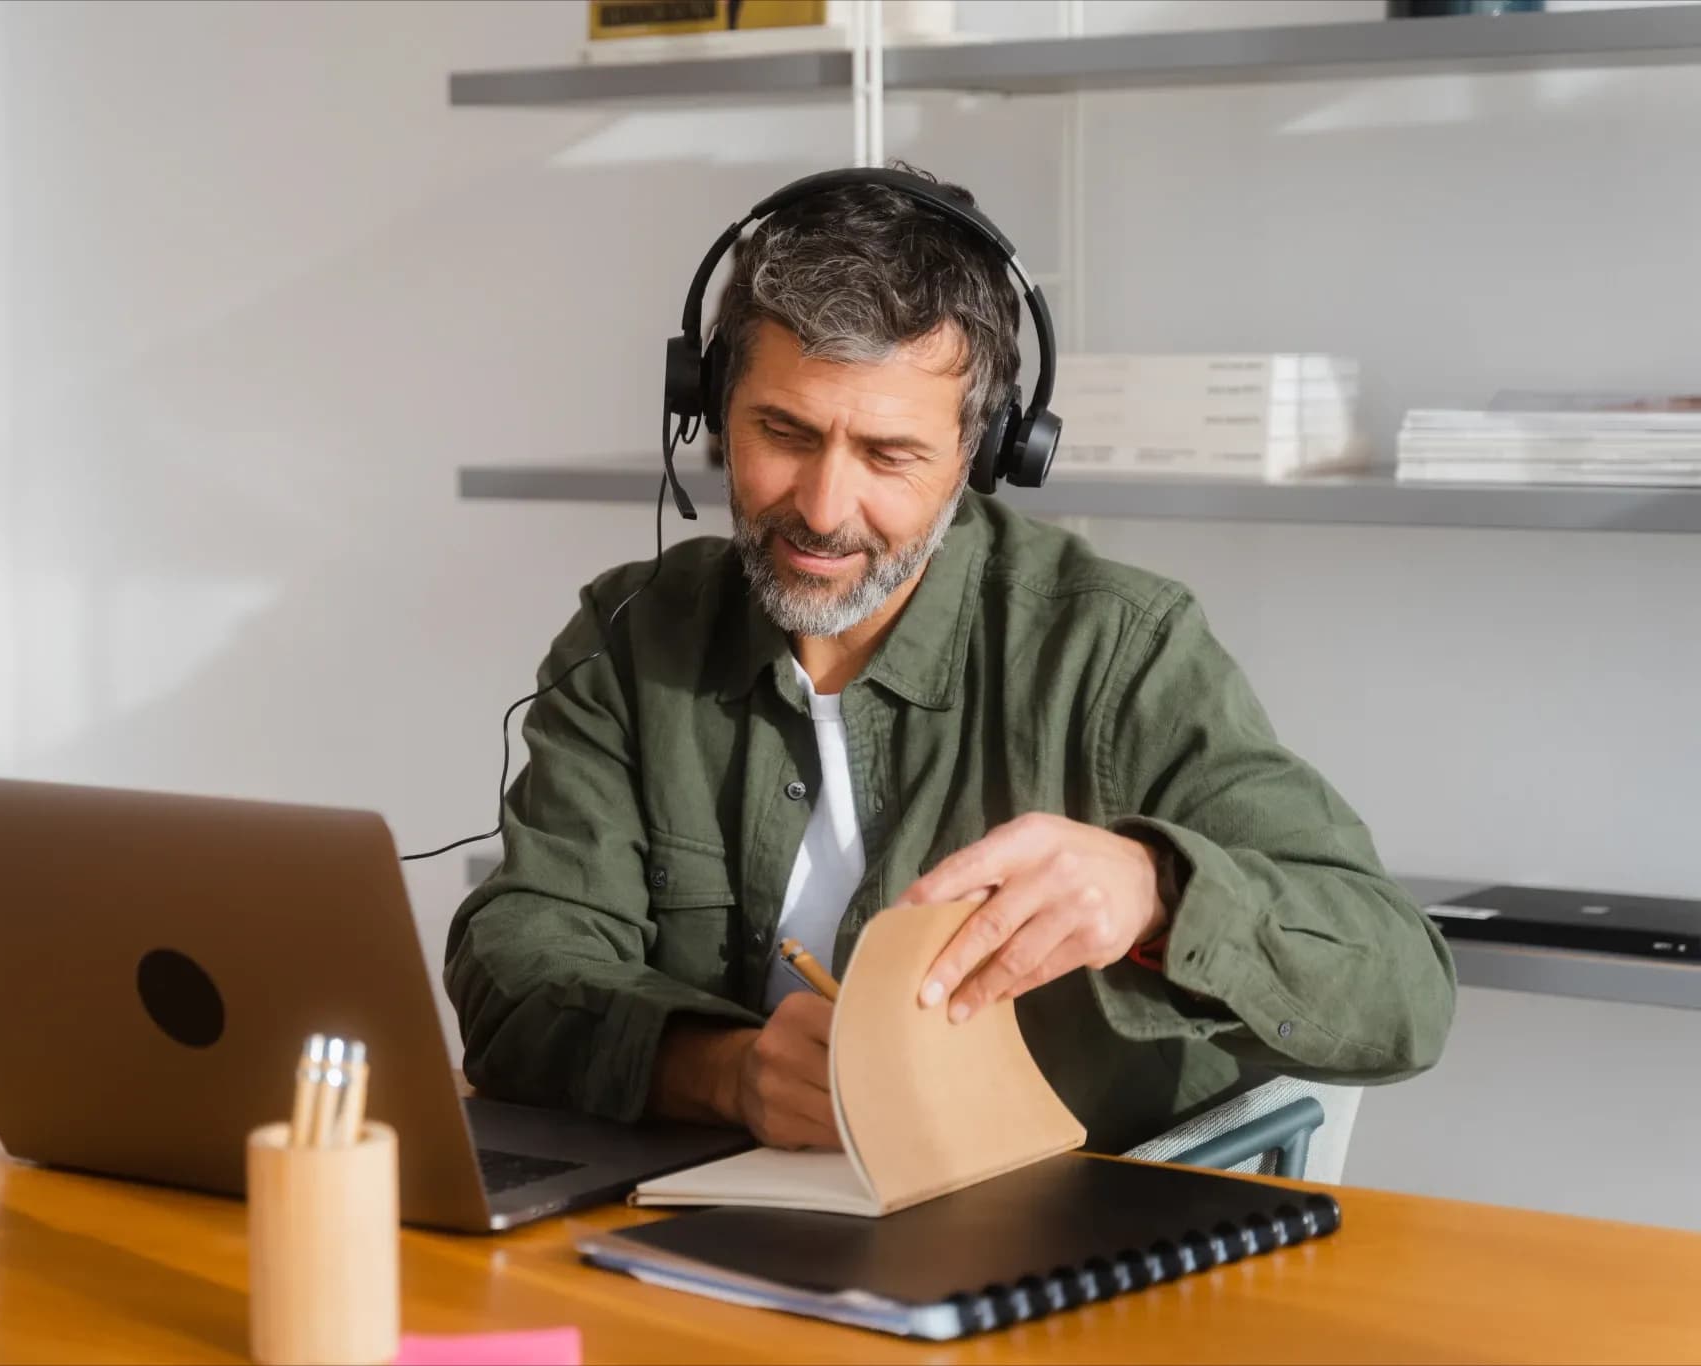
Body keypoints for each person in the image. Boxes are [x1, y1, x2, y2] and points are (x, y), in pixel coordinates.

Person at [445, 165, 1454, 1155]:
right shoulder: (635, 636)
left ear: (983, 453)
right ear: (711, 405)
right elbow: (517, 965)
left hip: (1060, 1243)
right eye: (782, 432)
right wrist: (721, 1073)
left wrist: (1158, 893)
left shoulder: (1115, 649)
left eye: (887, 456)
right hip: (730, 1227)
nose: (823, 506)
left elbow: (1401, 989)